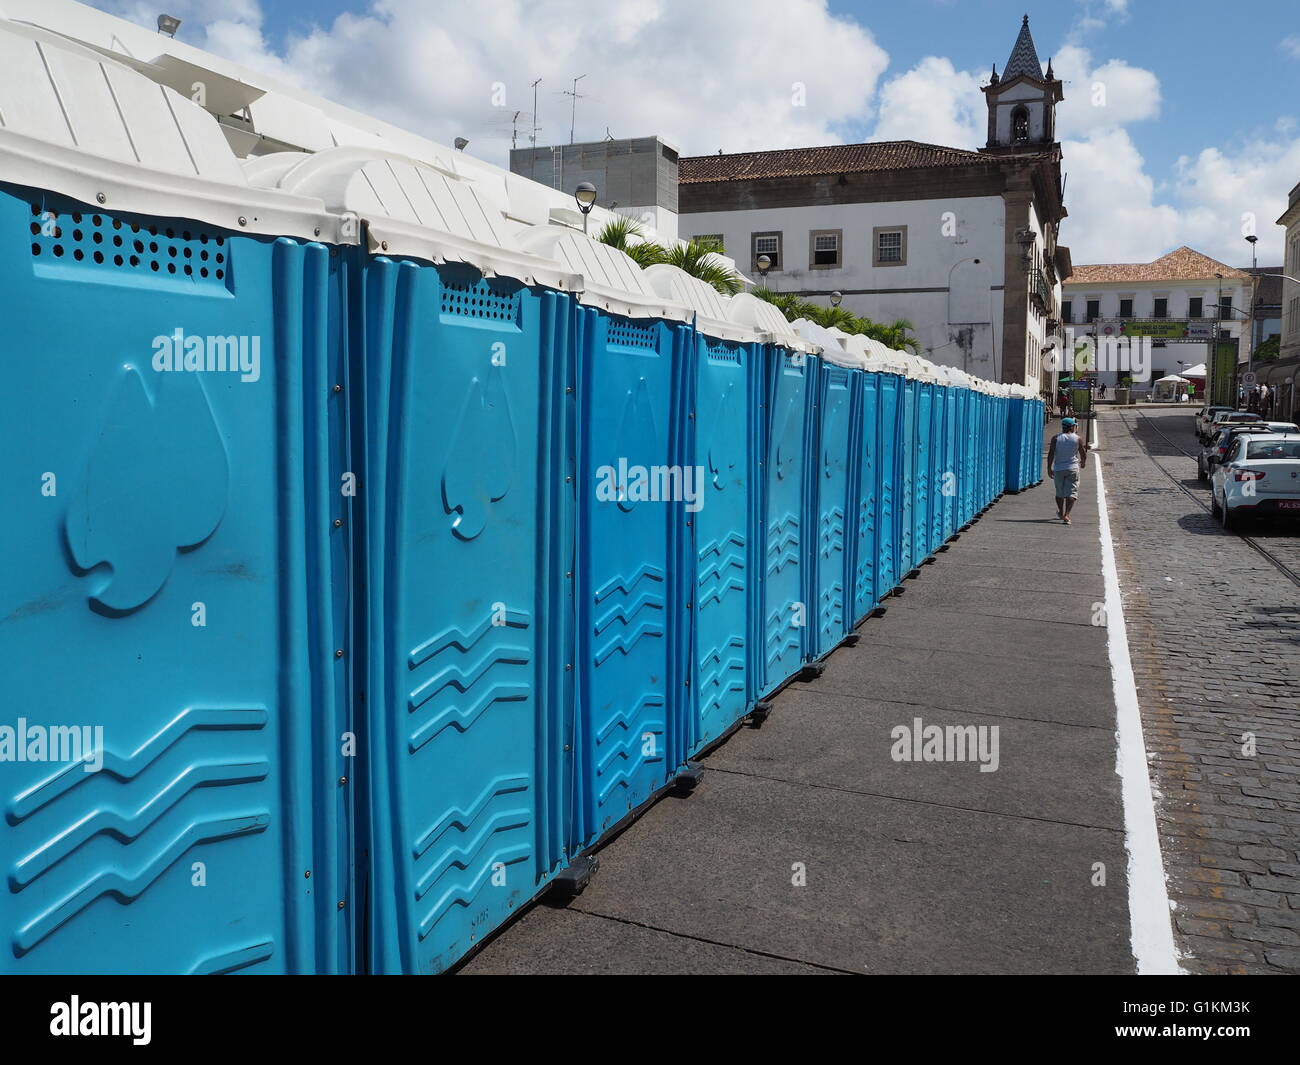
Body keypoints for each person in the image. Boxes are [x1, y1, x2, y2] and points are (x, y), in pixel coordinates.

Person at [1046, 416, 1088, 525]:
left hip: (1059, 469)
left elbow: (1051, 454)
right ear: (1072, 427)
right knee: (1072, 492)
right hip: (1072, 468)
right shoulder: (1078, 439)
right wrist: (1083, 462)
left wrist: (1049, 468)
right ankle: (1067, 514)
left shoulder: (1055, 438)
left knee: (1059, 492)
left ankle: (1060, 511)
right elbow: (1083, 453)